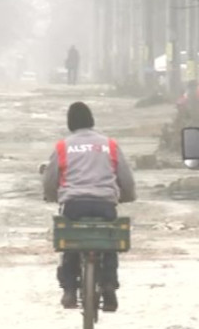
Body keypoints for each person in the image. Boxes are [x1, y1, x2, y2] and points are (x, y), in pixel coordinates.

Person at [43, 102, 137, 312]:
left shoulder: (63, 146)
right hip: (105, 204)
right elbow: (126, 179)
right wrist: (127, 197)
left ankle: (69, 289)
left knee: (70, 245)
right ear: (91, 121)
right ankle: (109, 287)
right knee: (109, 242)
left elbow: (50, 180)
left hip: (74, 205)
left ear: (70, 123)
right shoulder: (110, 145)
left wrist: (52, 197)